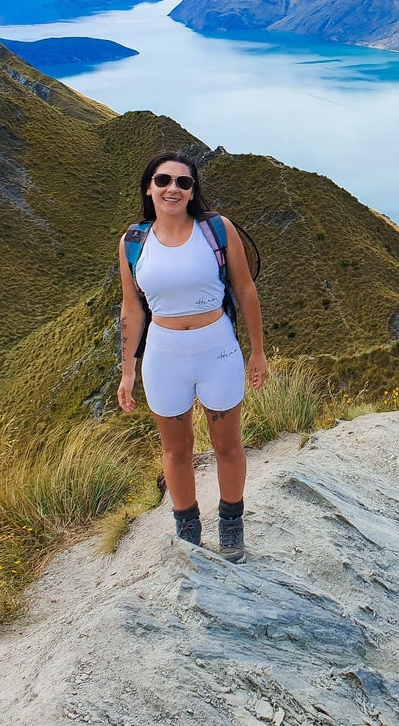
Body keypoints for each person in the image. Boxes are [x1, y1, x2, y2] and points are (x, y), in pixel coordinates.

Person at [117, 151, 268, 561]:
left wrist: (257, 352)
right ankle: (188, 528)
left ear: (193, 190)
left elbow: (245, 289)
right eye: (164, 180)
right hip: (163, 356)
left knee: (227, 444)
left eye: (184, 183)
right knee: (176, 450)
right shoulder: (133, 242)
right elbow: (132, 308)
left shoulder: (216, 230)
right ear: (149, 188)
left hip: (217, 348)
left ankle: (231, 524)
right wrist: (127, 368)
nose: (173, 189)